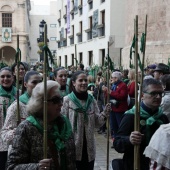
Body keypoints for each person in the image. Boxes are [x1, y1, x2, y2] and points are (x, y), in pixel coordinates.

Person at [6, 80, 76, 170]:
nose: (61, 104)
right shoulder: (26, 128)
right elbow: (12, 166)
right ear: (41, 102)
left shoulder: (65, 124)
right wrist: (36, 167)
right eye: (55, 100)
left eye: (60, 99)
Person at [113, 78, 169, 170]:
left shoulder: (163, 118)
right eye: (153, 93)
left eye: (160, 93)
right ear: (142, 95)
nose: (158, 97)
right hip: (135, 164)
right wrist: (129, 140)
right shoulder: (131, 116)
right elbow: (117, 143)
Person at [61, 71, 111, 170]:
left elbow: (97, 123)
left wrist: (105, 113)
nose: (84, 83)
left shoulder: (92, 101)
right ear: (74, 83)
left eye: (85, 80)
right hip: (72, 147)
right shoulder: (67, 100)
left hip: (89, 148)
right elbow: (62, 124)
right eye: (80, 80)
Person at [1, 71, 42, 153]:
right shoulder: (17, 105)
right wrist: (19, 132)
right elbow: (5, 134)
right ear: (25, 84)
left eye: (40, 82)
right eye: (34, 82)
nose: (37, 85)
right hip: (21, 152)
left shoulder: (45, 103)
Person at [0, 67, 17, 170]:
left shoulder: (19, 93)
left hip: (14, 136)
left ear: (13, 78)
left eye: (8, 76)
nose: (5, 79)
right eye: (2, 76)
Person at [110, 71, 128, 141]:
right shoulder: (113, 85)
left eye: (113, 78)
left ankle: (120, 139)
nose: (112, 79)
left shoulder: (123, 85)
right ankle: (115, 139)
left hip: (119, 108)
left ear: (116, 78)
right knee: (113, 125)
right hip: (113, 108)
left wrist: (111, 92)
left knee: (119, 124)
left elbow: (122, 96)